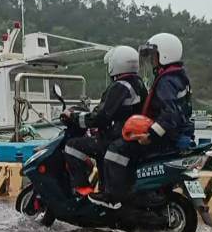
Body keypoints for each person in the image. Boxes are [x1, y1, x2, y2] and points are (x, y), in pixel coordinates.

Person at [89, 32, 194, 210]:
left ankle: (113, 197)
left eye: (154, 55)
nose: (152, 60)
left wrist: (151, 135)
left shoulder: (167, 81)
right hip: (178, 134)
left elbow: (170, 115)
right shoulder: (177, 77)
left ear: (165, 55)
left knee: (115, 149)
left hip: (166, 138)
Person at [61, 45, 147, 197]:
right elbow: (116, 113)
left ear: (116, 63)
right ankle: (102, 187)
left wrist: (73, 117)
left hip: (117, 138)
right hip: (126, 136)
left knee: (72, 146)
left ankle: (83, 191)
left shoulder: (120, 86)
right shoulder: (137, 83)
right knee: (95, 145)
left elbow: (101, 117)